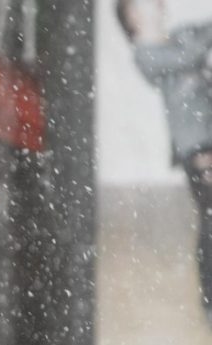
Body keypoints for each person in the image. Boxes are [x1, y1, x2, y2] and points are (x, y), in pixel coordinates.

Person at [118, 0, 212, 327]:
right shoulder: (146, 55)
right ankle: (210, 300)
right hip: (196, 149)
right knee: (210, 220)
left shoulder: (182, 37)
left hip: (207, 138)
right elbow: (190, 55)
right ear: (132, 17)